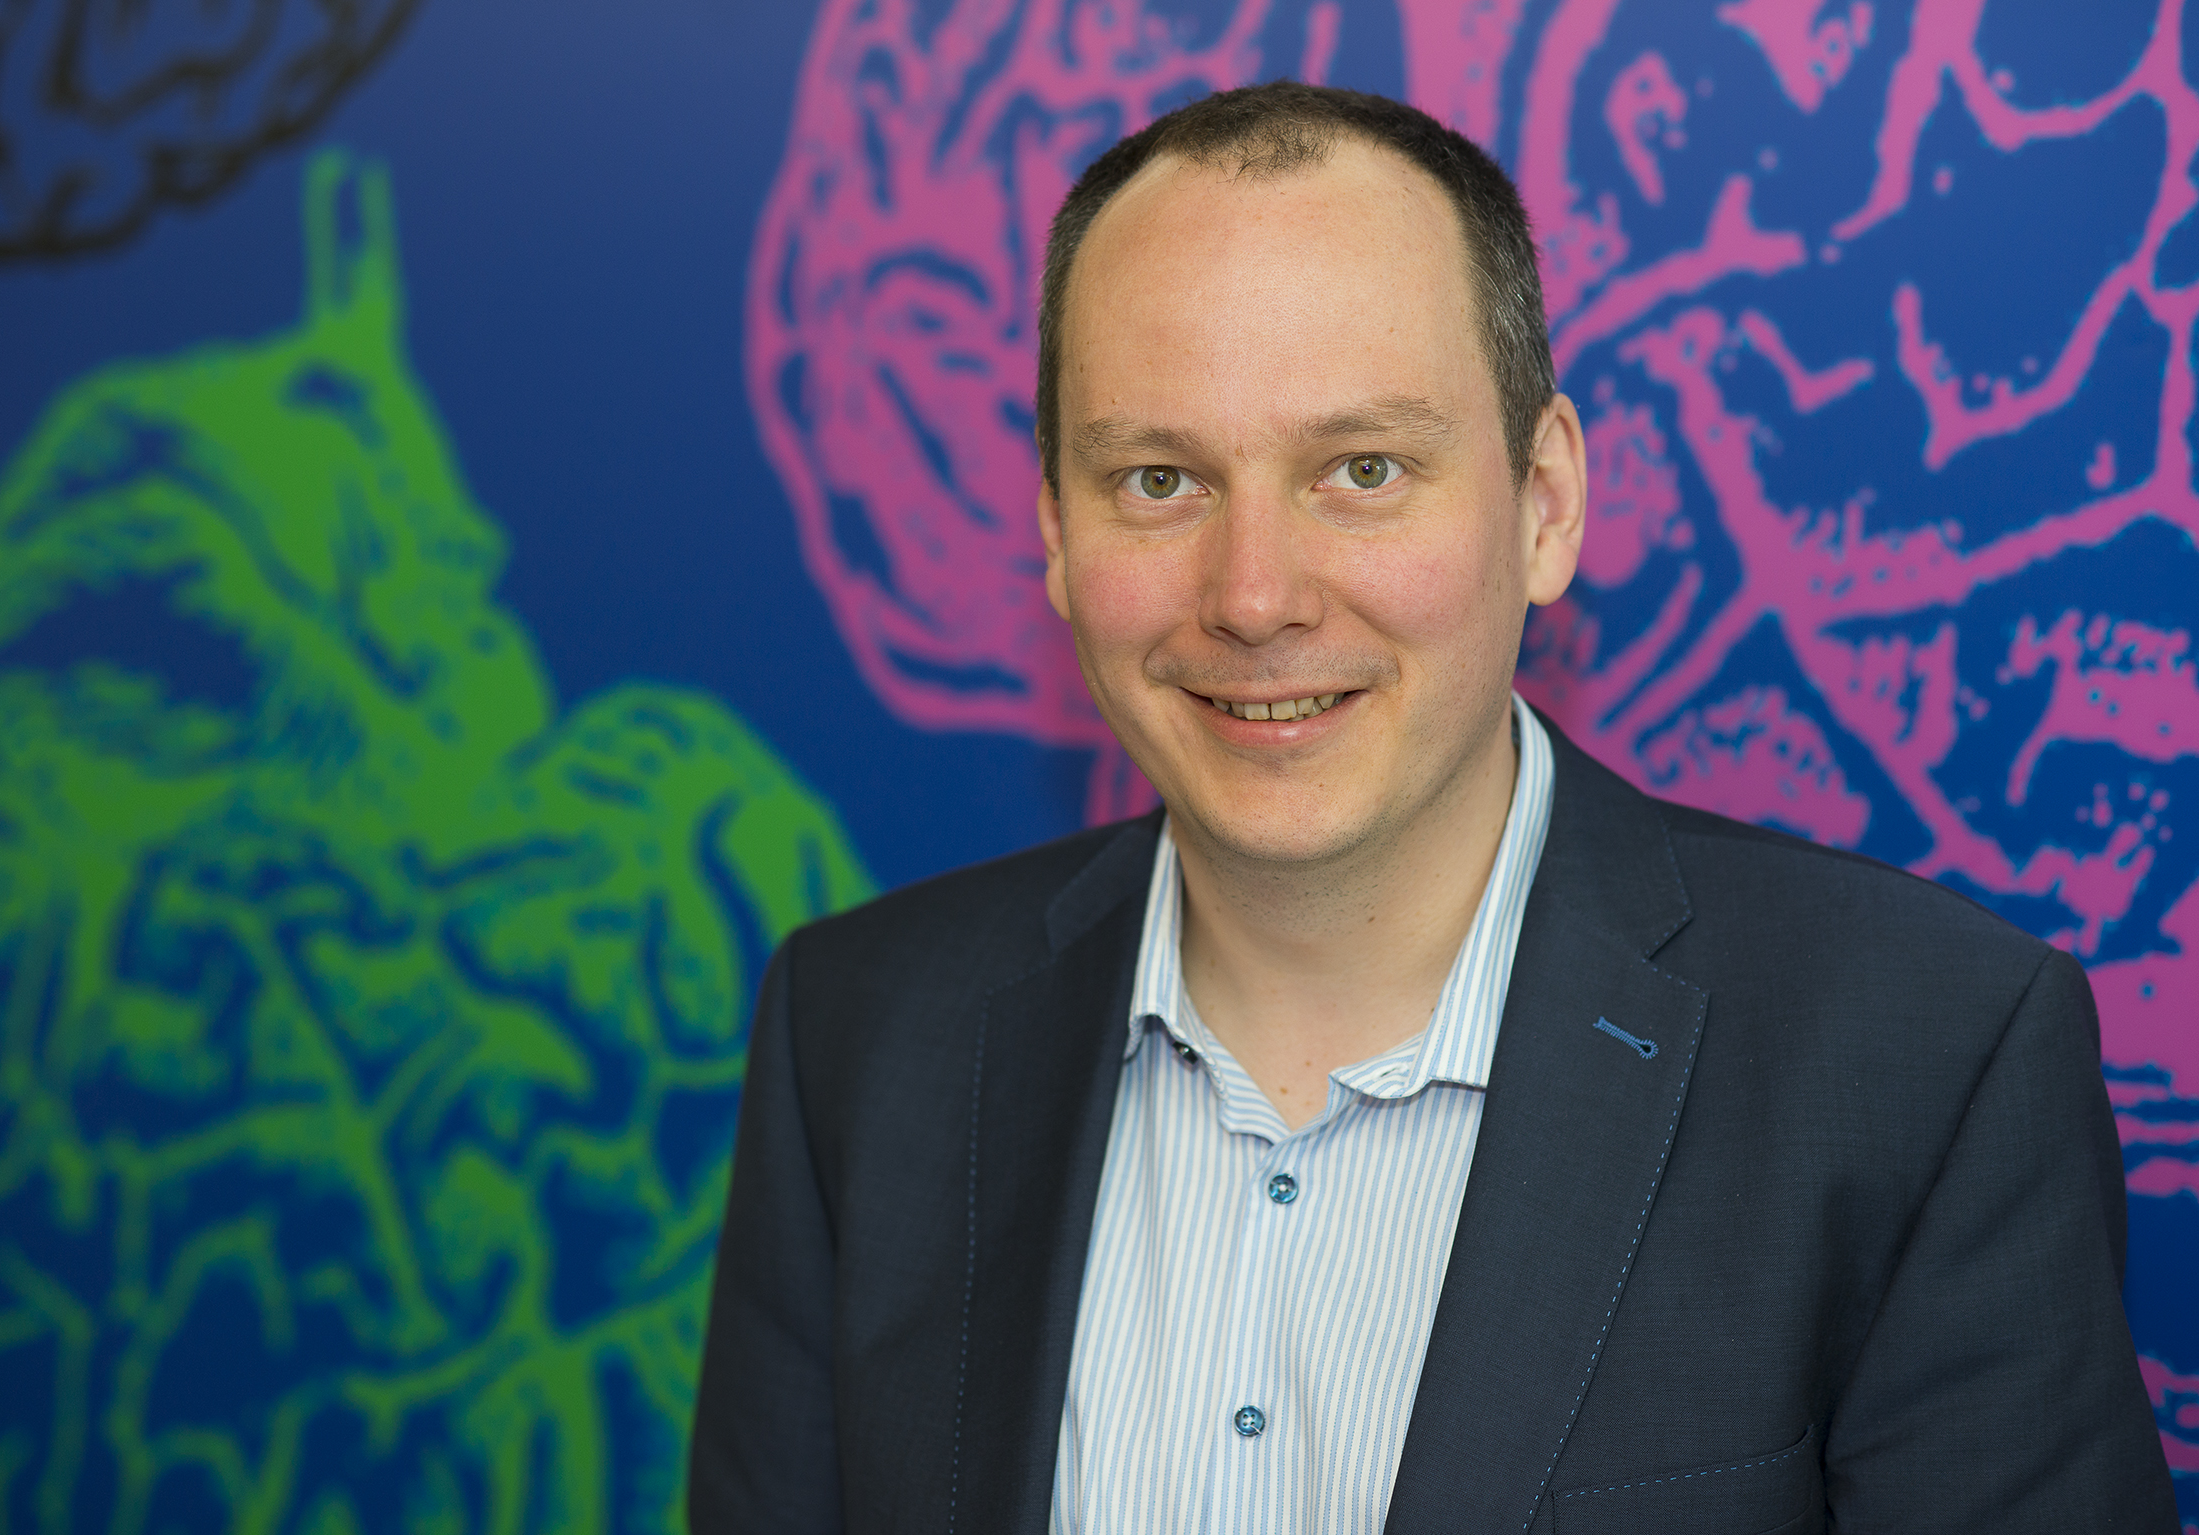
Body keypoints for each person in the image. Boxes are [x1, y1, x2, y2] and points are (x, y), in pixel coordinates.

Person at [689, 83, 2176, 1533]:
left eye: (1362, 469)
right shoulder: (859, 1037)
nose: (1253, 595)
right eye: (1156, 479)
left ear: (1544, 504)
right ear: (1057, 533)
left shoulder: (1923, 1068)